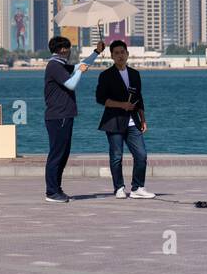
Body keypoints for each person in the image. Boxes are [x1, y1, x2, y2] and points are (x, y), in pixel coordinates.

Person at [43, 35, 105, 202]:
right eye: (68, 48)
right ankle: (51, 191)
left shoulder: (60, 65)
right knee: (57, 154)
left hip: (63, 116)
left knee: (63, 153)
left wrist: (96, 52)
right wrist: (79, 72)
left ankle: (56, 188)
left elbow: (81, 65)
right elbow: (71, 84)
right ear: (63, 50)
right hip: (58, 116)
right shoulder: (55, 65)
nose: (70, 51)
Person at [95, 40, 154, 199]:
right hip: (113, 121)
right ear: (112, 56)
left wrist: (143, 119)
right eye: (116, 53)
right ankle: (119, 188)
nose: (120, 55)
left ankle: (137, 188)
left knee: (141, 155)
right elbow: (100, 99)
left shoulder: (135, 74)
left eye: (123, 52)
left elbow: (139, 98)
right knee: (116, 156)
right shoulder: (106, 75)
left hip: (133, 121)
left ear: (127, 54)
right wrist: (122, 105)